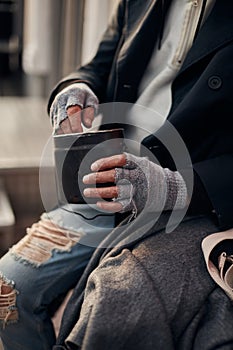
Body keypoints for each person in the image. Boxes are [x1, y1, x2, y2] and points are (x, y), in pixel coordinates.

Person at [1, 0, 233, 349]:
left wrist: (172, 188)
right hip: (108, 182)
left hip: (193, 203)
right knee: (7, 290)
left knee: (112, 308)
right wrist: (75, 89)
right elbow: (99, 65)